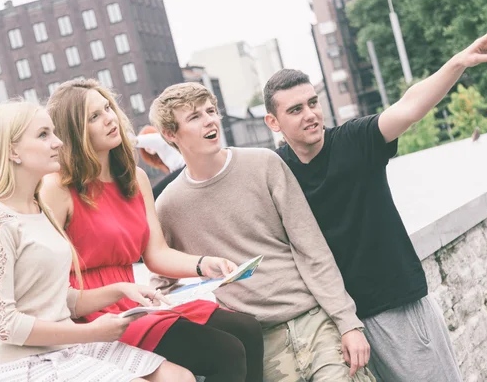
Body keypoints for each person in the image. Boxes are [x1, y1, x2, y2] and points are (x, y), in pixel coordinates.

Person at [262, 25, 487, 382]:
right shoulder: (275, 170)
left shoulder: (355, 140)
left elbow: (409, 106)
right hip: (337, 326)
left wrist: (458, 63)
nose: (310, 114)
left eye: (313, 103)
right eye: (295, 109)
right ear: (273, 122)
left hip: (395, 306)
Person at [149, 82, 375, 382]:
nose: (209, 121)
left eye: (211, 111)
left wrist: (348, 323)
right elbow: (161, 289)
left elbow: (312, 249)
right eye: (194, 117)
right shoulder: (167, 205)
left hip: (315, 322)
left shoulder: (264, 163)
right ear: (170, 134)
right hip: (259, 344)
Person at [41, 78, 263, 382]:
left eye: (108, 107)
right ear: (74, 132)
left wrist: (203, 264)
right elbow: (43, 275)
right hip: (90, 311)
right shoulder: (58, 187)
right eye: (94, 116)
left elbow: (156, 254)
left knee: (247, 330)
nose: (109, 118)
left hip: (135, 301)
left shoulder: (135, 179)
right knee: (225, 352)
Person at [0, 100, 191, 381]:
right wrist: (89, 332)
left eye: (54, 133)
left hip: (66, 350)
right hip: (24, 364)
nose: (58, 142)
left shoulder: (39, 209)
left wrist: (121, 289)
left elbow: (59, 299)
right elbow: (1, 324)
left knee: (179, 377)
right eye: (43, 134)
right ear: (12, 150)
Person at [134, 125, 185, 198]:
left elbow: (135, 141)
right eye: (144, 147)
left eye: (147, 144)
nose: (147, 148)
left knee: (154, 194)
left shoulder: (160, 139)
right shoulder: (161, 154)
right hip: (181, 172)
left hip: (183, 169)